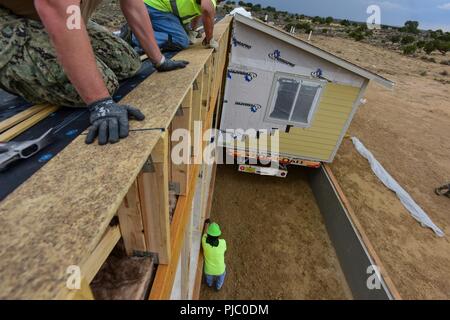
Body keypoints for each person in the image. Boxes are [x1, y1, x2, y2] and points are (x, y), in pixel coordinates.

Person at [0, 0, 188, 145]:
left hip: (60, 14)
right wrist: (101, 103)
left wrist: (160, 60)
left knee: (128, 63)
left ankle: (45, 40)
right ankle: (17, 69)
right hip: (12, 19)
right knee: (103, 84)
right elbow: (56, 6)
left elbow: (134, 5)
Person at [129, 0, 220, 52]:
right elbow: (207, 10)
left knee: (185, 36)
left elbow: (199, 12)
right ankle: (136, 36)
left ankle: (145, 28)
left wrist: (193, 30)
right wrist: (210, 39)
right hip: (155, 7)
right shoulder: (211, 2)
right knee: (181, 40)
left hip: (157, 6)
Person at [202, 219, 227, 291]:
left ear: (208, 234)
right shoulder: (223, 243)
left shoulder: (204, 242)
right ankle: (218, 287)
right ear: (218, 235)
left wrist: (206, 224)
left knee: (208, 277)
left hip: (208, 270)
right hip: (220, 270)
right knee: (222, 275)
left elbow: (205, 233)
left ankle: (209, 284)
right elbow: (225, 250)